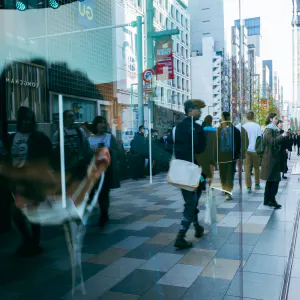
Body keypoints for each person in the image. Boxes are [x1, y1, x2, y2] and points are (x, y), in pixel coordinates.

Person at [6, 106, 52, 256]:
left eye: (29, 120)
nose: (26, 123)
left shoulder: (38, 137)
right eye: (24, 119)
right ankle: (29, 240)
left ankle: (33, 242)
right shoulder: (12, 137)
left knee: (29, 211)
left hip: (32, 180)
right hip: (17, 179)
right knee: (17, 213)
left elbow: (48, 154)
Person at [168, 100, 206, 249]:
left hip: (180, 169)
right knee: (192, 201)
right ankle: (181, 236)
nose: (200, 112)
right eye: (198, 109)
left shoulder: (176, 128)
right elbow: (201, 148)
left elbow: (169, 144)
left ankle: (197, 227)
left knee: (192, 198)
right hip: (193, 169)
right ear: (190, 110)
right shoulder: (197, 128)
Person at [88, 116, 121, 227]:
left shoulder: (109, 137)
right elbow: (85, 153)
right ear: (95, 125)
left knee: (104, 193)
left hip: (105, 170)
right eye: (99, 123)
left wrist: (107, 151)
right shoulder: (89, 138)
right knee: (90, 193)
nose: (102, 125)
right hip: (92, 169)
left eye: (104, 122)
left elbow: (117, 151)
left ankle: (104, 214)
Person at [52, 110, 91, 179]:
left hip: (79, 164)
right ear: (64, 118)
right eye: (70, 116)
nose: (72, 118)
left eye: (73, 116)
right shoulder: (59, 133)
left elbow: (87, 143)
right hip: (67, 165)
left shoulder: (80, 131)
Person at [261, 113, 288, 209]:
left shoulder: (272, 129)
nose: (277, 120)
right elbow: (272, 142)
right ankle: (271, 200)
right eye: (275, 118)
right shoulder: (269, 129)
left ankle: (267, 199)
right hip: (270, 158)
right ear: (271, 119)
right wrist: (282, 136)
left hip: (272, 158)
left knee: (271, 180)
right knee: (275, 180)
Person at [217, 112, 241, 200]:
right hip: (232, 156)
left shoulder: (218, 130)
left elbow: (215, 144)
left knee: (222, 173)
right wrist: (238, 155)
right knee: (230, 174)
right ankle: (228, 193)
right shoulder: (235, 130)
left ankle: (224, 189)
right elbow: (239, 144)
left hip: (221, 156)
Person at [243, 111, 262, 192]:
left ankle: (248, 187)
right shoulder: (257, 126)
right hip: (256, 150)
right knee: (256, 168)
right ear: (253, 117)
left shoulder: (243, 127)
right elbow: (260, 138)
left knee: (247, 169)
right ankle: (257, 184)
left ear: (247, 117)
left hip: (246, 151)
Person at [198, 115, 217, 185]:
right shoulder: (215, 130)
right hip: (212, 153)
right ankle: (210, 183)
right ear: (211, 121)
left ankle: (202, 182)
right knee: (211, 169)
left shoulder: (202, 130)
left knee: (202, 170)